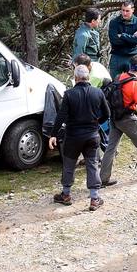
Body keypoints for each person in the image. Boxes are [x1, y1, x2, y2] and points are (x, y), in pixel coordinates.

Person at [48, 65, 110, 210]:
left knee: (69, 165)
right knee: (92, 165)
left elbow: (61, 116)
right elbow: (107, 114)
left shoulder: (69, 94)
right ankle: (94, 198)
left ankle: (66, 195)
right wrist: (97, 122)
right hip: (92, 136)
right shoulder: (98, 93)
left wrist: (53, 134)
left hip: (73, 137)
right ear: (88, 77)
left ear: (75, 78)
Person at [103, 57, 137, 186]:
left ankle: (103, 178)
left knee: (111, 147)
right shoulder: (135, 84)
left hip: (115, 117)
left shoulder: (119, 77)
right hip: (128, 119)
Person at [107, 0, 137, 78]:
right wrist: (131, 39)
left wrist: (122, 36)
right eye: (123, 10)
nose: (124, 13)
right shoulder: (114, 22)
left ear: (133, 10)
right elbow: (114, 41)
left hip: (132, 56)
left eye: (127, 11)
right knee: (115, 82)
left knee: (132, 81)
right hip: (117, 55)